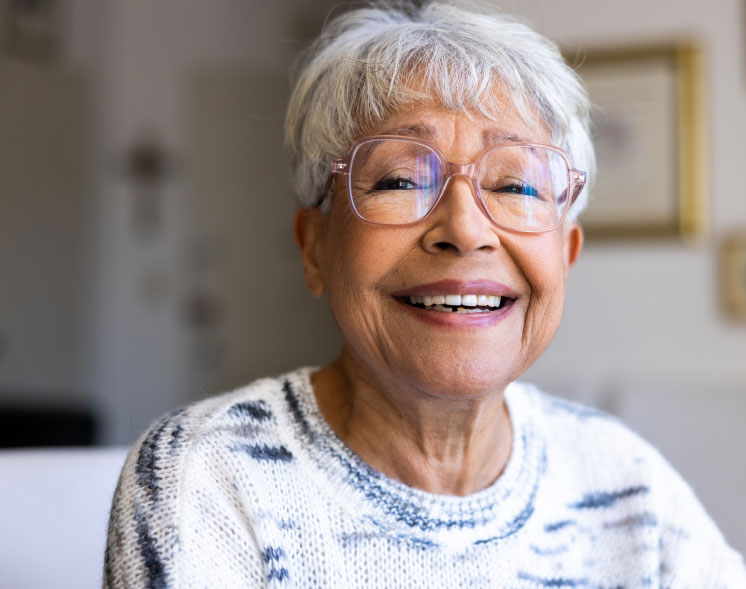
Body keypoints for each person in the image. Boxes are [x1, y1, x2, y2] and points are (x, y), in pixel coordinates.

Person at [104, 2, 746, 587]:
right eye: (401, 179)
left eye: (516, 187)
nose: (465, 230)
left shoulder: (624, 484)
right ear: (314, 247)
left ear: (567, 258)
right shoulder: (207, 478)